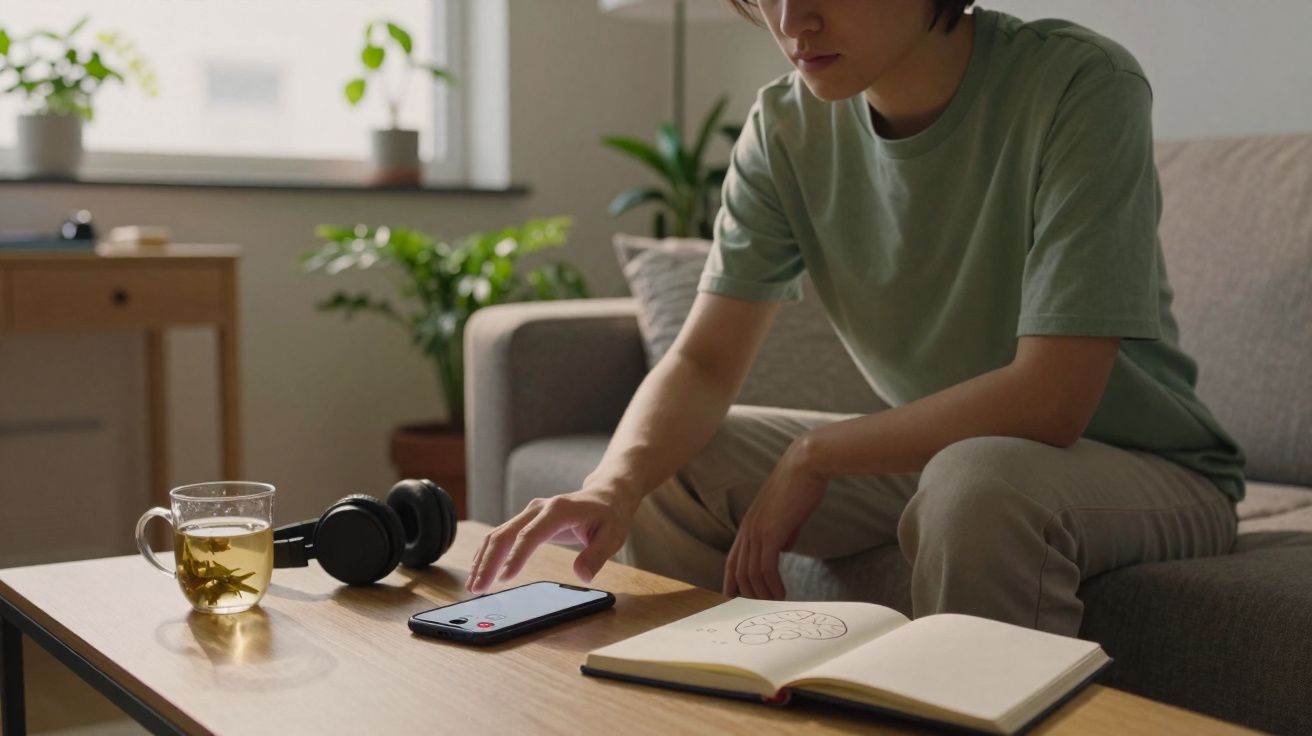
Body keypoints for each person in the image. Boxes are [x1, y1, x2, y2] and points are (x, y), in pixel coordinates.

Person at [466, 0, 1245, 636]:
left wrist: (818, 453)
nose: (791, 19)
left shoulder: (1081, 83)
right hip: (952, 460)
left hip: (1140, 465)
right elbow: (703, 362)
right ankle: (701, 705)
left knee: (978, 482)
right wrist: (612, 484)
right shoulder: (784, 129)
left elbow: (1052, 398)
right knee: (678, 463)